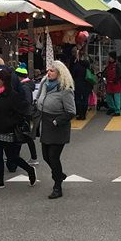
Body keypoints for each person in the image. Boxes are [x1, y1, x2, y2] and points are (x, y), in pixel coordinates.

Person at [0, 67, 36, 190]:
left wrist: (11, 122)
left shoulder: (13, 95)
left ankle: (30, 170)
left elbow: (23, 110)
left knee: (12, 157)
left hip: (8, 131)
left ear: (4, 80)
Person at [34, 60, 77, 200]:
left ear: (60, 73)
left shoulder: (65, 89)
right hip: (45, 123)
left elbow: (71, 111)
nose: (48, 73)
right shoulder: (44, 84)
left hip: (58, 126)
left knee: (53, 156)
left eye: (52, 71)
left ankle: (57, 186)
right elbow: (38, 100)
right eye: (48, 70)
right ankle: (60, 174)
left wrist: (57, 121)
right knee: (46, 156)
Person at [14, 66, 39, 165]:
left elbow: (26, 101)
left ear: (19, 77)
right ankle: (17, 156)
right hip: (27, 114)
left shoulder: (24, 87)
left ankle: (31, 158)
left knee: (23, 135)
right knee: (24, 135)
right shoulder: (28, 85)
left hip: (24, 114)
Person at [71, 52, 92, 121]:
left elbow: (73, 75)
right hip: (87, 85)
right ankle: (84, 114)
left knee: (78, 99)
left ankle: (79, 114)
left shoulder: (77, 66)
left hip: (78, 85)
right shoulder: (88, 66)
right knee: (85, 100)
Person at [103, 51, 121, 117]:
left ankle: (117, 110)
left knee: (116, 97)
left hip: (116, 83)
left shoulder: (118, 65)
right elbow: (105, 72)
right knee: (108, 96)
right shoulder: (108, 65)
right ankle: (112, 108)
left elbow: (120, 74)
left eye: (110, 57)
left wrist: (115, 80)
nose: (109, 58)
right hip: (109, 83)